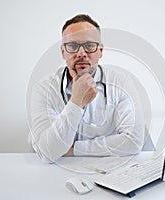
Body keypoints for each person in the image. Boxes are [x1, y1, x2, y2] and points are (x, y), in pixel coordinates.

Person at [29, 14, 145, 163]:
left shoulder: (121, 82)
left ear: (100, 51)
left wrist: (75, 149)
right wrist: (76, 101)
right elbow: (47, 152)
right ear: (63, 52)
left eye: (90, 46)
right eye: (72, 46)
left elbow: (133, 142)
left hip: (109, 171)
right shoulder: (45, 89)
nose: (81, 53)